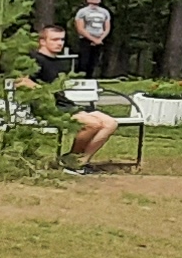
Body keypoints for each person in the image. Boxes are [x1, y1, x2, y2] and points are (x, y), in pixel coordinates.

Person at [28, 25, 118, 167]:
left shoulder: (58, 62)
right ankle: (70, 160)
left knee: (110, 123)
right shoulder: (34, 59)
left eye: (62, 39)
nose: (60, 43)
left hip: (64, 104)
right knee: (92, 124)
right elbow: (21, 81)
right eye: (55, 39)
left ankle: (82, 161)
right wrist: (44, 92)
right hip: (48, 107)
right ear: (42, 41)